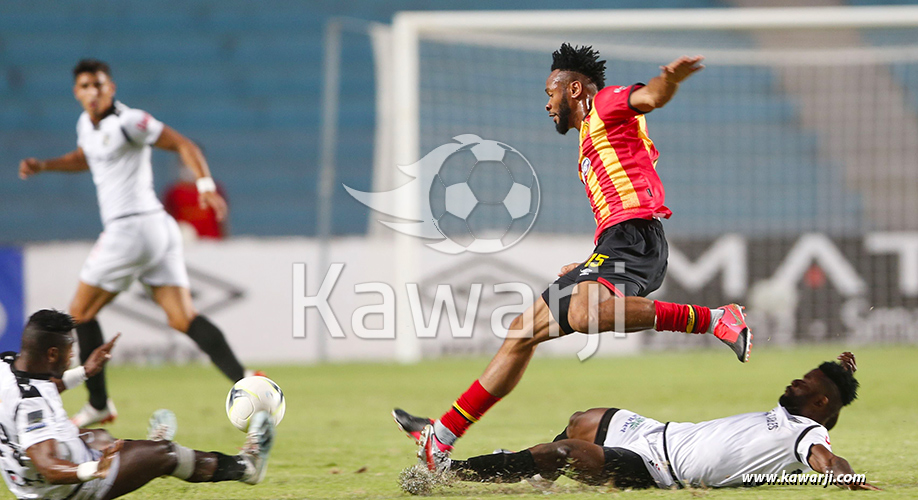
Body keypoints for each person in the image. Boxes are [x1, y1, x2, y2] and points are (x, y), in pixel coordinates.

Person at [395, 44, 753, 470]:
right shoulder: (591, 138)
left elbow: (649, 97)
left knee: (585, 315)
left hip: (636, 237)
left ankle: (713, 319)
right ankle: (441, 438)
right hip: (613, 243)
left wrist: (668, 83)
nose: (547, 104)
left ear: (575, 89)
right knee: (521, 332)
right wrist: (590, 261)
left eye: (551, 93)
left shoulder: (603, 105)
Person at [18, 59, 254, 426]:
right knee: (182, 318)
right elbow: (86, 157)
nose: (93, 92)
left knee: (79, 314)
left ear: (111, 88)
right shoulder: (86, 125)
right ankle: (246, 383)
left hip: (130, 229)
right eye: (85, 86)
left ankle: (98, 404)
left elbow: (183, 144)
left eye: (99, 84)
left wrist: (205, 185)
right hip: (156, 231)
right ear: (76, 93)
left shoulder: (131, 122)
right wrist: (46, 165)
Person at [442, 352, 877, 491]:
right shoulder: (794, 415)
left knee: (564, 452)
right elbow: (827, 415)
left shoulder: (805, 433)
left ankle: (451, 473)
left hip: (657, 469)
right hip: (658, 433)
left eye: (804, 384)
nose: (793, 383)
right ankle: (537, 472)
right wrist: (842, 374)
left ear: (820, 401)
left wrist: (847, 478)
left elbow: (824, 456)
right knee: (583, 418)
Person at [0, 310, 274, 500]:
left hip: (31, 484)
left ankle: (141, 456)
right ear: (51, 353)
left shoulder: (7, 366)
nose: (71, 357)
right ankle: (247, 467)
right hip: (69, 491)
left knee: (100, 437)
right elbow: (48, 466)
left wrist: (86, 371)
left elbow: (45, 389)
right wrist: (93, 471)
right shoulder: (31, 406)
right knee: (167, 454)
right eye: (69, 351)